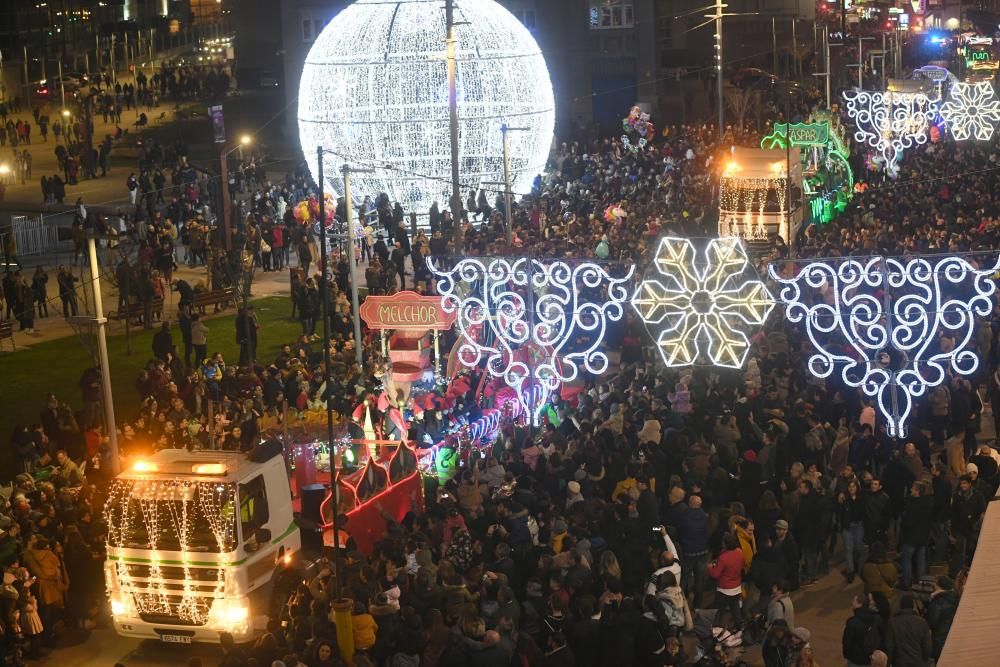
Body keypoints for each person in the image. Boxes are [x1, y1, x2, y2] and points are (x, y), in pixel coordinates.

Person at [707, 532, 744, 629]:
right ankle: (741, 630)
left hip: (724, 590)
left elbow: (715, 574)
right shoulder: (739, 552)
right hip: (736, 588)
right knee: (736, 613)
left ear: (725, 544)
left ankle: (716, 631)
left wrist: (710, 567)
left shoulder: (723, 557)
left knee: (718, 613)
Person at [885, 595, 932, 667]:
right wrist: (925, 659)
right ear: (913, 606)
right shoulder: (922, 622)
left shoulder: (893, 622)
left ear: (901, 606)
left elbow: (890, 646)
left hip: (900, 662)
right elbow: (927, 646)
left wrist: (889, 663)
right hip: (918, 662)